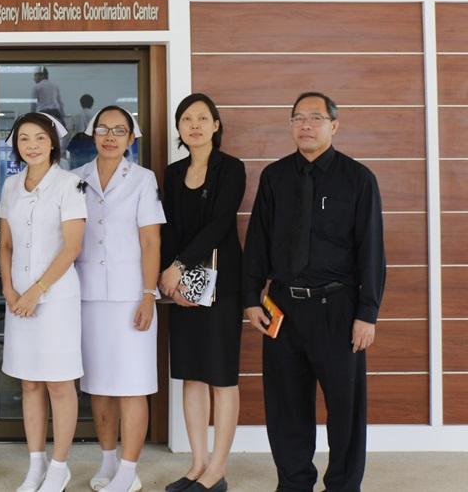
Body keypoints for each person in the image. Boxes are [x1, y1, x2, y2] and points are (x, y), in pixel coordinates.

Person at [243, 92, 386, 492]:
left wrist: (367, 313)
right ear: (290, 125)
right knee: (286, 406)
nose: (305, 125)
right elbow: (258, 242)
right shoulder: (274, 177)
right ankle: (294, 483)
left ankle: (343, 485)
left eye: (315, 118)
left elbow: (372, 251)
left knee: (345, 408)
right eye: (298, 118)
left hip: (338, 308)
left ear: (334, 126)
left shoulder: (358, 179)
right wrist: (251, 298)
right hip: (283, 308)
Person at [73, 106, 166, 492]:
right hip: (88, 295)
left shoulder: (143, 179)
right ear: (92, 134)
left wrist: (148, 294)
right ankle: (108, 460)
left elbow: (151, 241)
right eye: (103, 129)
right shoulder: (75, 178)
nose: (110, 136)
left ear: (131, 137)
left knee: (132, 384)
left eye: (119, 130)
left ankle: (129, 469)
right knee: (98, 386)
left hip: (131, 295)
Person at [160, 94, 246, 492]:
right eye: (186, 119)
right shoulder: (172, 173)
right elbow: (168, 228)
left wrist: (178, 267)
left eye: (202, 118)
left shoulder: (231, 169)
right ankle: (197, 464)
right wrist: (173, 281)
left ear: (215, 125)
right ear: (179, 128)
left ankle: (218, 470)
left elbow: (219, 224)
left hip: (221, 286)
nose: (194, 125)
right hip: (181, 288)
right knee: (192, 375)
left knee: (221, 376)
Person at [0, 112, 87, 492]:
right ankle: (36, 465)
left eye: (39, 138)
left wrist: (37, 291)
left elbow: (72, 247)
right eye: (24, 138)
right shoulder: (10, 186)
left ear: (52, 143)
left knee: (59, 384)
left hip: (56, 299)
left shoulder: (70, 184)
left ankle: (59, 467)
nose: (31, 145)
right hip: (18, 299)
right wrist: (8, 289)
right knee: (30, 383)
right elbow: (5, 244)